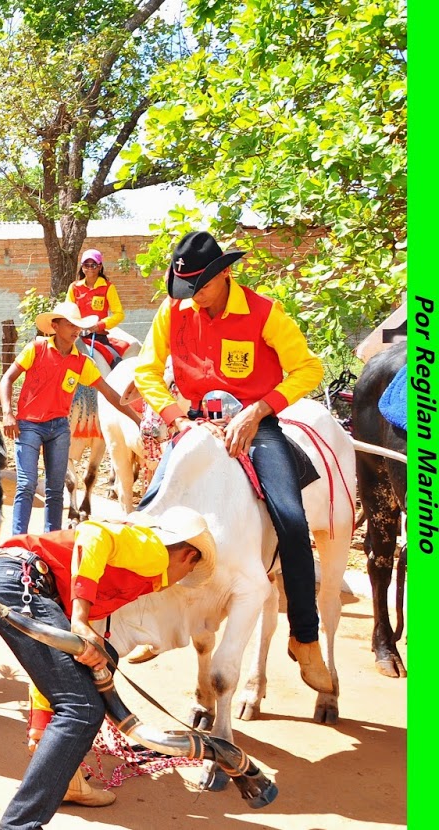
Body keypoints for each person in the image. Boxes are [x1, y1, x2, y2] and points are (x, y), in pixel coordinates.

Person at [134, 230, 331, 692]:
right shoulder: (174, 311)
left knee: (291, 520)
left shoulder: (264, 313)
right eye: (186, 290)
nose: (193, 299)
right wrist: (176, 419)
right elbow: (146, 369)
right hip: (195, 427)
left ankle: (305, 637)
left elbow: (308, 368)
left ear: (224, 274)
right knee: (148, 513)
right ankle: (148, 619)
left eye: (199, 287)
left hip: (255, 427)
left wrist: (260, 409)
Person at [0, 507, 216, 828]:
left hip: (7, 582)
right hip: (22, 582)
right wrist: (82, 618)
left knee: (98, 663)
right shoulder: (154, 550)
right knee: (83, 707)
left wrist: (41, 722)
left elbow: (60, 655)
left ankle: (68, 780)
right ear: (189, 555)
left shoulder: (129, 570)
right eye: (192, 568)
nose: (186, 576)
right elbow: (92, 533)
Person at [0, 301, 140, 535]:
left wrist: (136, 418)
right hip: (29, 425)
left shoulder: (82, 362)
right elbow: (7, 378)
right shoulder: (36, 348)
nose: (76, 330)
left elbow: (109, 393)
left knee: (56, 489)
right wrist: (7, 413)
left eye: (79, 325)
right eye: (70, 324)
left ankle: (51, 539)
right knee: (26, 485)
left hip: (59, 428)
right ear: (55, 325)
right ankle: (18, 540)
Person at [69, 249, 126, 366]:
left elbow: (119, 314)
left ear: (100, 267)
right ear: (82, 267)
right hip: (76, 335)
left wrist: (99, 325)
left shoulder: (108, 287)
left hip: (98, 336)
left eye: (94, 265)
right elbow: (68, 312)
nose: (90, 268)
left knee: (117, 362)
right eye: (86, 265)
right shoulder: (74, 287)